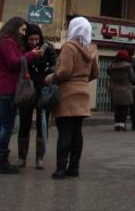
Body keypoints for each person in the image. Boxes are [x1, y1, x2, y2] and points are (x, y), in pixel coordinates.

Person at [0, 17, 41, 174]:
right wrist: (32, 55)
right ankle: (1, 163)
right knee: (6, 126)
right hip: (7, 89)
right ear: (14, 28)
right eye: (22, 30)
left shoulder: (4, 41)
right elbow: (13, 62)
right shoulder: (7, 42)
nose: (24, 33)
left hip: (2, 89)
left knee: (1, 125)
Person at [46, 17, 100, 180]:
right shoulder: (91, 48)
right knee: (77, 132)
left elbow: (64, 72)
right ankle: (74, 168)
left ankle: (60, 169)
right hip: (83, 95)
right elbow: (96, 73)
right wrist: (82, 82)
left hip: (67, 95)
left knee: (65, 133)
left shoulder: (69, 47)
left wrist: (48, 79)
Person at [17, 24, 57, 169]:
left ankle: (39, 159)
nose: (34, 43)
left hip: (43, 91)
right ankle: (22, 158)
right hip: (27, 90)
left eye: (36, 39)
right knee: (24, 123)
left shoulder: (48, 49)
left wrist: (46, 74)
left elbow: (55, 66)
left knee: (42, 124)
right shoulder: (22, 50)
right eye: (31, 40)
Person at [107, 49, 135, 132]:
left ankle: (117, 125)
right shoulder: (128, 66)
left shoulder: (113, 65)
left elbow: (109, 74)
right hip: (126, 89)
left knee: (117, 108)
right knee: (124, 108)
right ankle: (122, 125)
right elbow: (132, 78)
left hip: (115, 88)